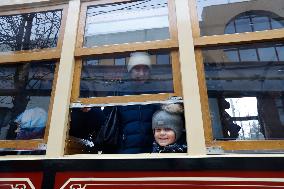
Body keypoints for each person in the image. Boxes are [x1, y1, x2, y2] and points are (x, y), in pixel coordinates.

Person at [113, 52, 159, 154]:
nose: (141, 74)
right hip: (124, 154)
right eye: (137, 69)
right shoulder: (119, 93)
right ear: (130, 71)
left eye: (145, 69)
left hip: (151, 153)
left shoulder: (156, 93)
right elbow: (107, 121)